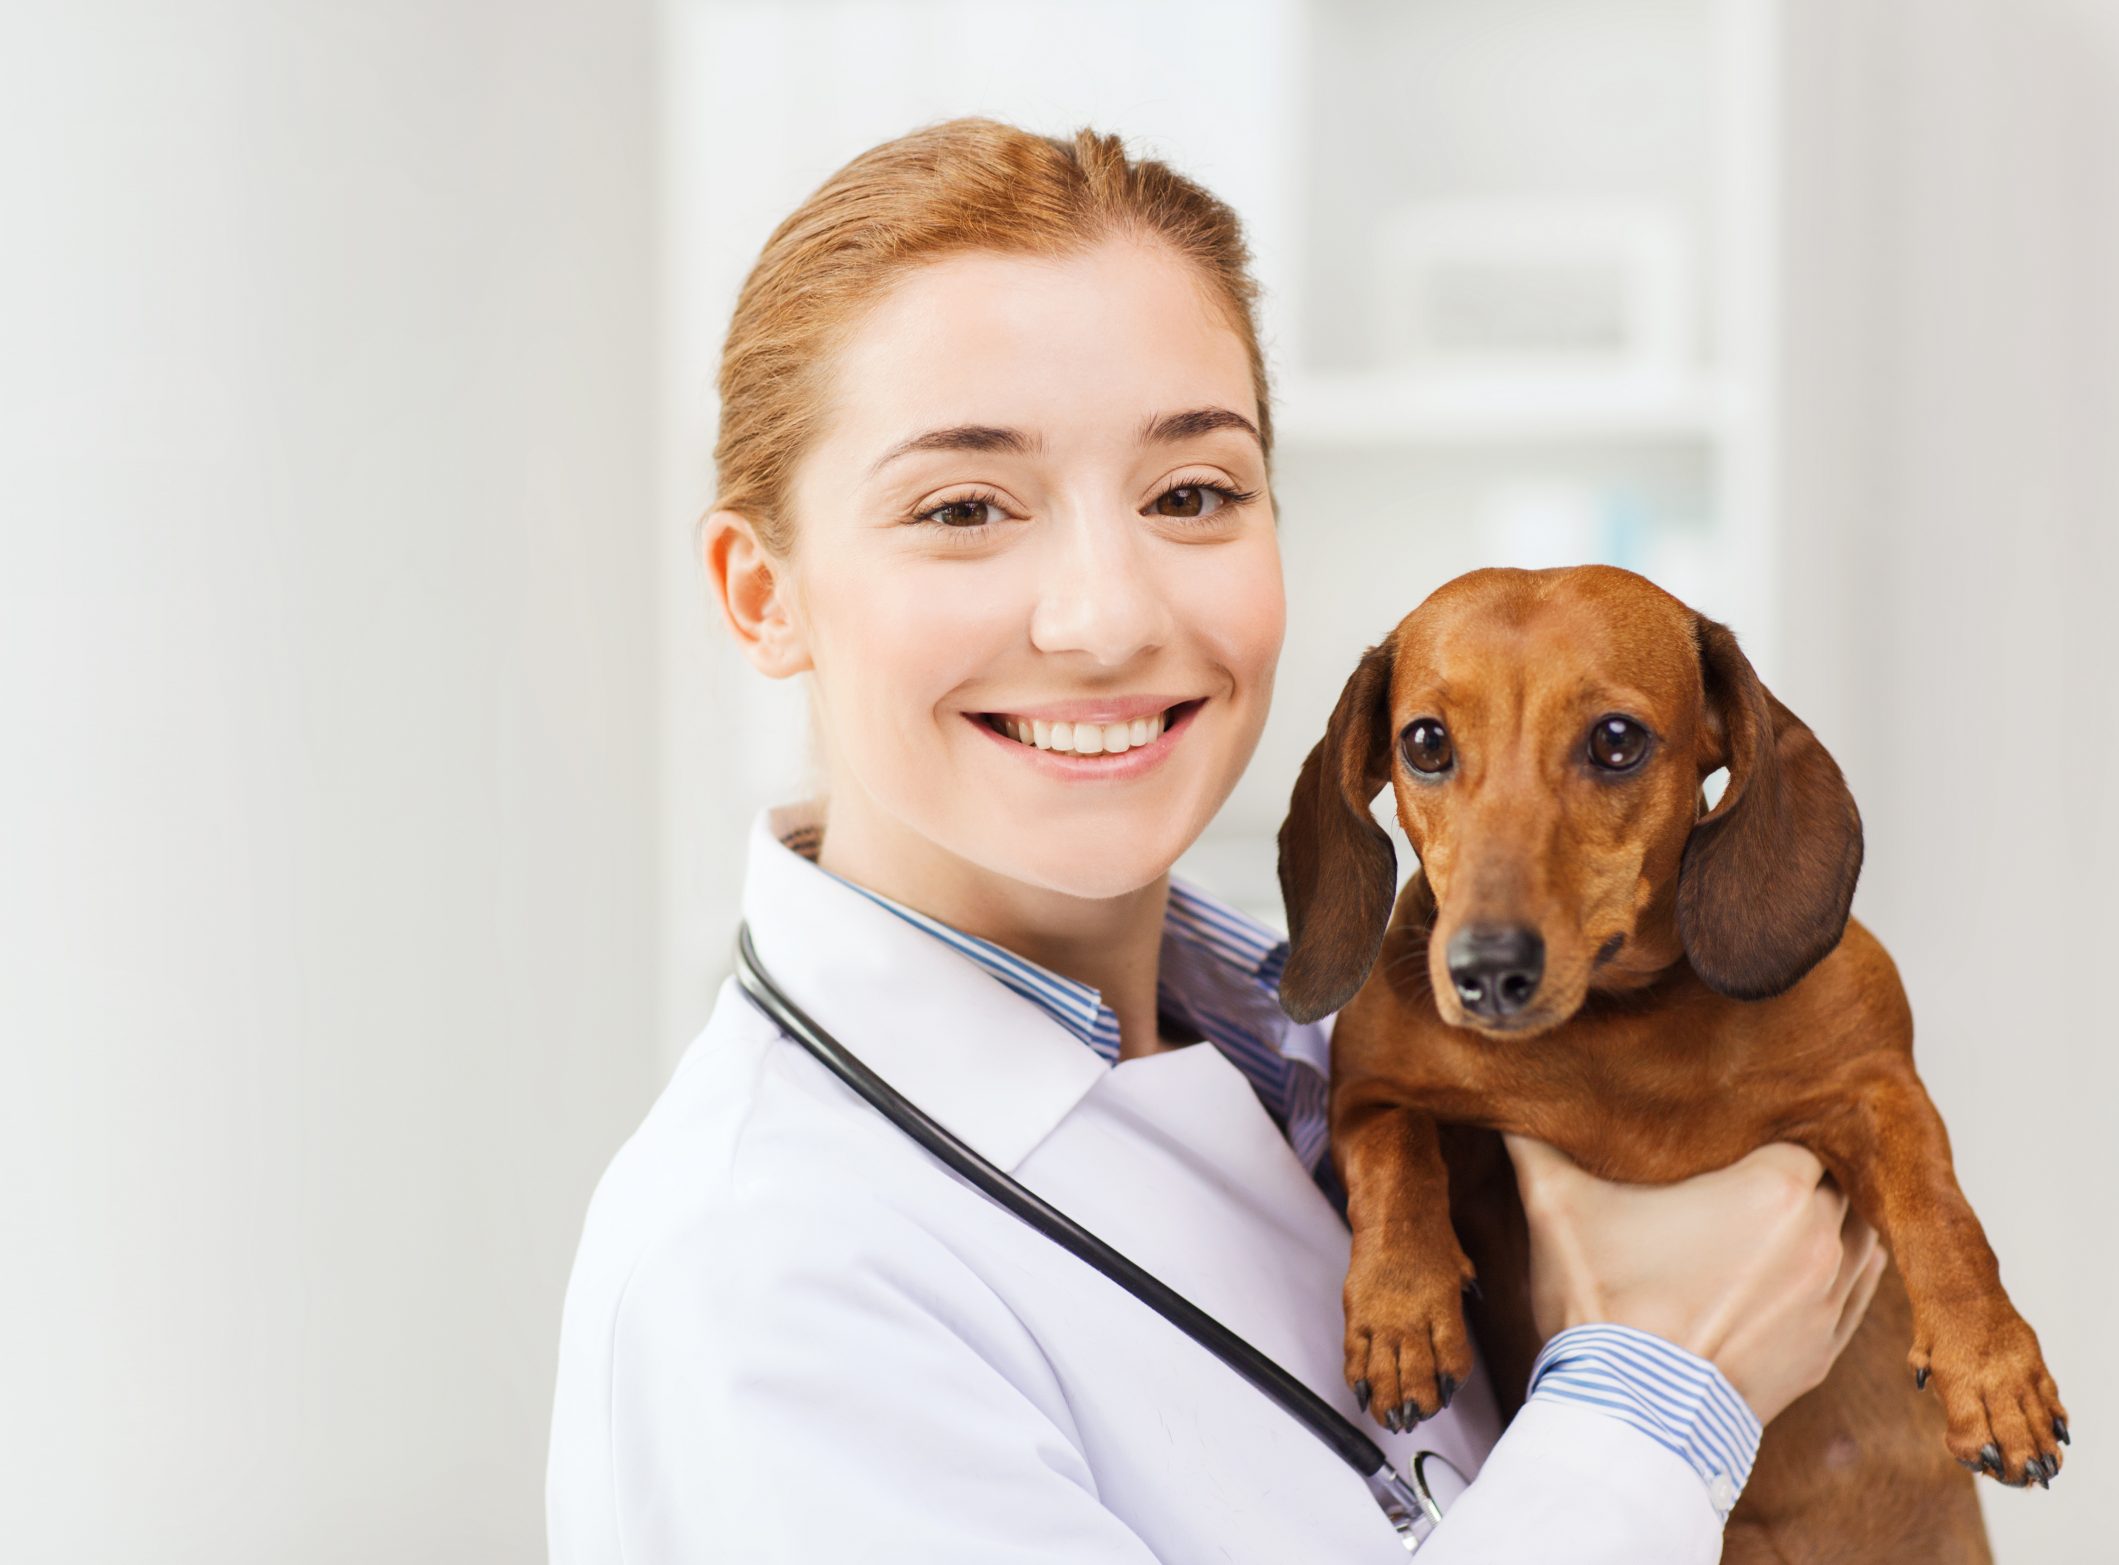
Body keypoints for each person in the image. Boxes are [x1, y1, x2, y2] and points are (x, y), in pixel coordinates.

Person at [546, 117, 1886, 1564]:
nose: (1110, 613)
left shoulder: (1355, 1052)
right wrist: (1660, 1388)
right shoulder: (754, 1283)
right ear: (764, 597)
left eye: (1192, 492)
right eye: (964, 507)